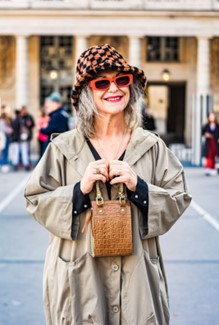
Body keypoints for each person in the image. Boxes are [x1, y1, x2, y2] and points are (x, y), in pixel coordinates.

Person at [24, 44, 192, 325]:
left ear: (132, 87)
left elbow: (179, 197)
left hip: (138, 276)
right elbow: (35, 199)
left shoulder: (152, 146)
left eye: (121, 80)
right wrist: (78, 190)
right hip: (78, 275)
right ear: (87, 93)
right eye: (102, 82)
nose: (113, 89)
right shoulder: (63, 147)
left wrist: (139, 186)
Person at [0, 105, 13, 172]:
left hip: (6, 136)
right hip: (4, 137)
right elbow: (2, 127)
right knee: (4, 151)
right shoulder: (2, 118)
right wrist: (9, 130)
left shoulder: (7, 118)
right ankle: (3, 164)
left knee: (6, 150)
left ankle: (4, 163)